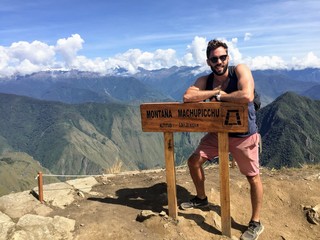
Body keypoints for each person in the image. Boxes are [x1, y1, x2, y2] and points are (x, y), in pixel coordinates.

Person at [180, 39, 264, 240]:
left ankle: (256, 222)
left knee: (252, 177)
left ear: (228, 57)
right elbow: (187, 97)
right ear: (208, 61)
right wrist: (217, 92)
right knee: (194, 162)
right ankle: (201, 199)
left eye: (222, 57)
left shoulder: (240, 70)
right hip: (217, 134)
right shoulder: (206, 80)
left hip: (243, 135)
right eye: (214, 59)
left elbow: (246, 95)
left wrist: (220, 98)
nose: (219, 62)